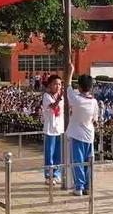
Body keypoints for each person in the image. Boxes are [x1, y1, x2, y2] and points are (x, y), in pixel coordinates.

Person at [65, 62, 98, 196]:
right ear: (90, 87)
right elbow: (95, 119)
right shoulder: (94, 102)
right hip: (89, 135)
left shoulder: (76, 99)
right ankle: (88, 187)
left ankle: (79, 187)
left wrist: (71, 71)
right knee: (88, 161)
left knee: (77, 161)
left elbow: (67, 86)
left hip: (77, 135)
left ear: (79, 86)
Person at [42, 75, 64, 185]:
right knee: (49, 154)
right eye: (55, 84)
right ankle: (48, 175)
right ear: (50, 85)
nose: (58, 86)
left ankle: (56, 174)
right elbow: (53, 107)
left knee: (58, 154)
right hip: (50, 129)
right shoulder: (46, 96)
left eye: (59, 84)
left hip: (59, 129)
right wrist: (59, 98)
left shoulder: (61, 97)